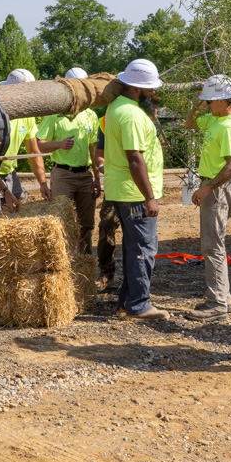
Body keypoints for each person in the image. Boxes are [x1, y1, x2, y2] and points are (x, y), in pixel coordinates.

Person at [104, 58, 167, 320]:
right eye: (150, 89)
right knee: (144, 249)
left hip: (126, 190)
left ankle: (127, 304)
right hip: (134, 193)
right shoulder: (130, 114)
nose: (153, 93)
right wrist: (149, 196)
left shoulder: (118, 107)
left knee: (133, 248)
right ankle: (139, 305)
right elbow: (135, 158)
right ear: (137, 88)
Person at [0, 68, 43, 300]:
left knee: (21, 231)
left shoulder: (27, 113)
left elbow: (33, 151)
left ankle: (18, 289)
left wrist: (43, 182)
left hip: (10, 175)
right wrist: (4, 191)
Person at [187, 75, 231, 322]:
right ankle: (223, 299)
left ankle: (217, 303)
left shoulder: (228, 126)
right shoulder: (214, 118)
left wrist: (207, 187)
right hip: (214, 187)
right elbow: (190, 124)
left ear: (222, 100)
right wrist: (198, 102)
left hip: (218, 188)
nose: (207, 105)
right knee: (213, 243)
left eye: (210, 101)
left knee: (213, 245)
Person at [34, 67, 102, 252]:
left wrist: (96, 178)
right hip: (63, 175)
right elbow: (40, 145)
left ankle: (84, 262)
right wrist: (59, 144)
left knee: (86, 223)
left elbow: (93, 149)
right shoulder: (54, 115)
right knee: (61, 222)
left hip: (85, 175)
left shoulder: (91, 115)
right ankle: (62, 263)